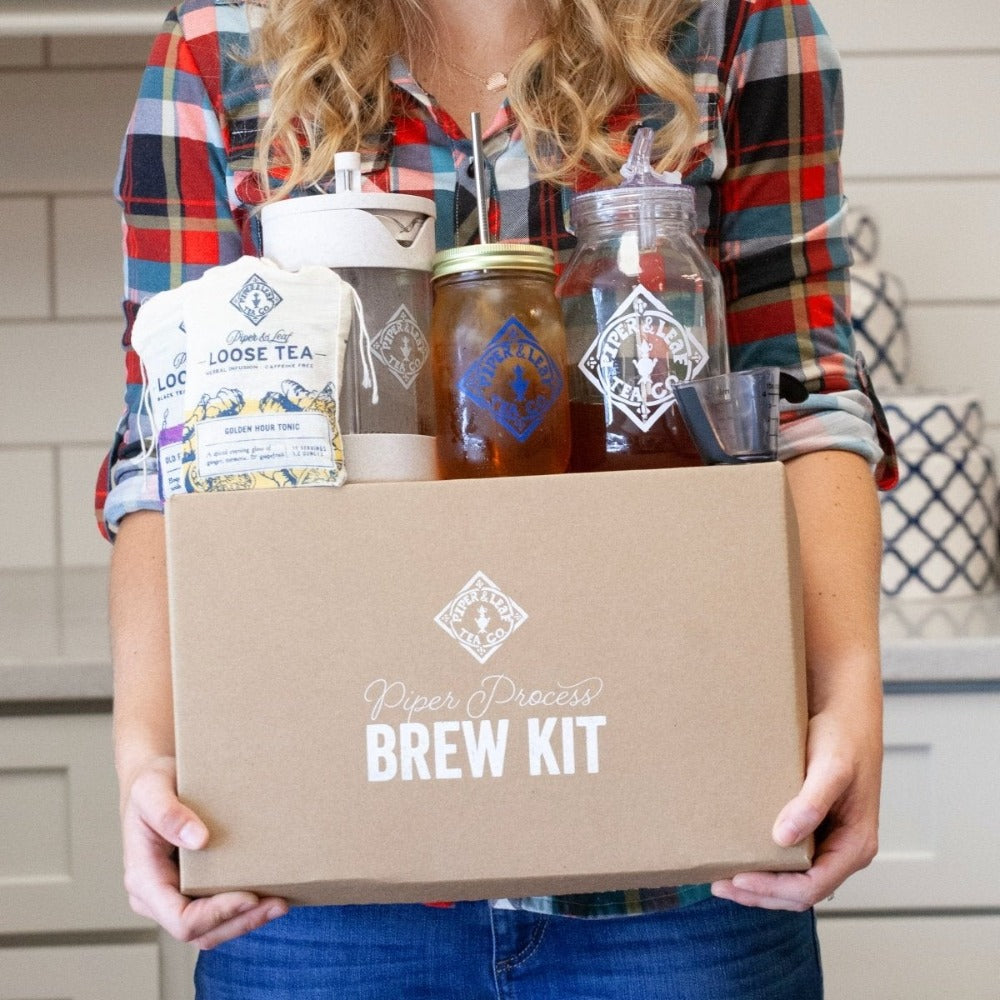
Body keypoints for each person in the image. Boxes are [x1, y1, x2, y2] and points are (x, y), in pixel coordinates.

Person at [97, 0, 897, 996]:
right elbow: (162, 455)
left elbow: (805, 396)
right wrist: (145, 749)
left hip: (678, 854)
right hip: (323, 866)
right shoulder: (219, 47)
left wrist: (847, 688)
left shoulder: (735, 20)